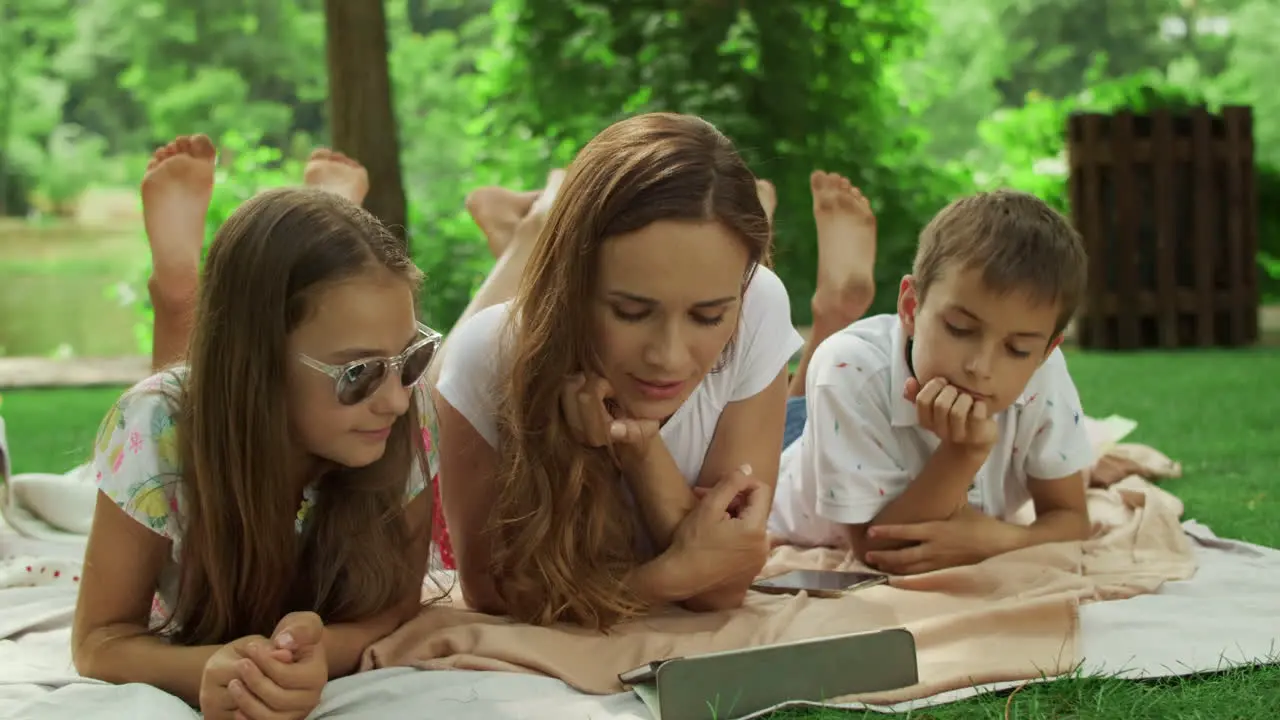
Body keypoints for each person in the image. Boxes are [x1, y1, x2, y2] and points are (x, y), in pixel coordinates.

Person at [432, 112, 877, 629]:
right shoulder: (487, 355)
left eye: (708, 316)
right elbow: (491, 595)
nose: (667, 356)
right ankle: (525, 233)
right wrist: (667, 579)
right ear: (573, 286)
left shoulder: (758, 306)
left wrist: (640, 448)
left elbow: (721, 587)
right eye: (631, 311)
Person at [71, 135, 441, 720]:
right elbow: (98, 640)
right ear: (260, 361)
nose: (395, 398)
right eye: (359, 372)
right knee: (175, 414)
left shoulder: (407, 418)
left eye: (412, 357)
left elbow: (395, 608)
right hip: (194, 427)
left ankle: (322, 206)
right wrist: (211, 671)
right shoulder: (155, 426)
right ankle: (177, 292)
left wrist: (324, 654)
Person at [767, 189, 1094, 575]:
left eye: (1018, 349)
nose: (980, 367)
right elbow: (879, 551)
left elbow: (1072, 519)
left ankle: (832, 310)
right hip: (789, 457)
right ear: (911, 306)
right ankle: (784, 277)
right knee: (786, 415)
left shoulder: (1045, 374)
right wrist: (963, 452)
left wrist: (999, 540)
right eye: (960, 328)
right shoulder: (849, 369)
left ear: (1045, 351)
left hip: (849, 423)